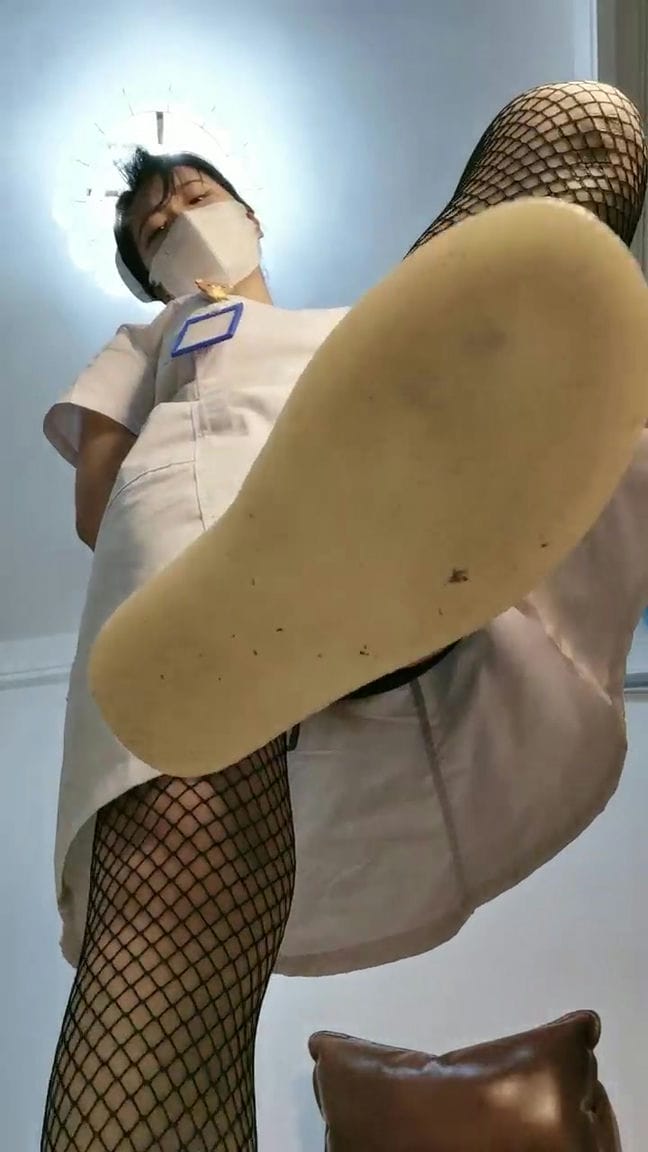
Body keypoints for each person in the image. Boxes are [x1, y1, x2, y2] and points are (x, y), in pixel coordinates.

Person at [41, 81, 648, 1152]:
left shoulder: (364, 331)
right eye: (152, 226)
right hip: (201, 560)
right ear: (143, 270)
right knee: (177, 856)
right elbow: (99, 506)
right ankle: (293, 591)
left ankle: (364, 549)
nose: (176, 216)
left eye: (194, 194)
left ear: (251, 215)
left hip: (409, 526)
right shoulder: (146, 338)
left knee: (577, 124)